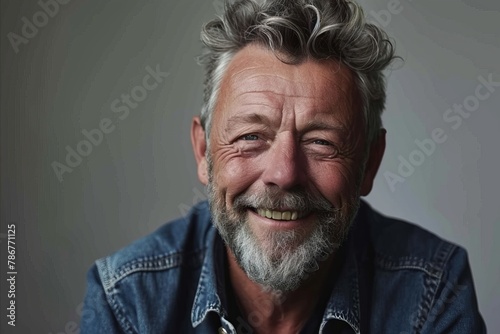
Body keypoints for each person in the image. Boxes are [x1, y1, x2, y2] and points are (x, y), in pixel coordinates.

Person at [81, 0, 486, 332]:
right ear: (204, 152)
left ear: (369, 163)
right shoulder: (127, 298)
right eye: (250, 137)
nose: (284, 173)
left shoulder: (433, 289)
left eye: (321, 142)